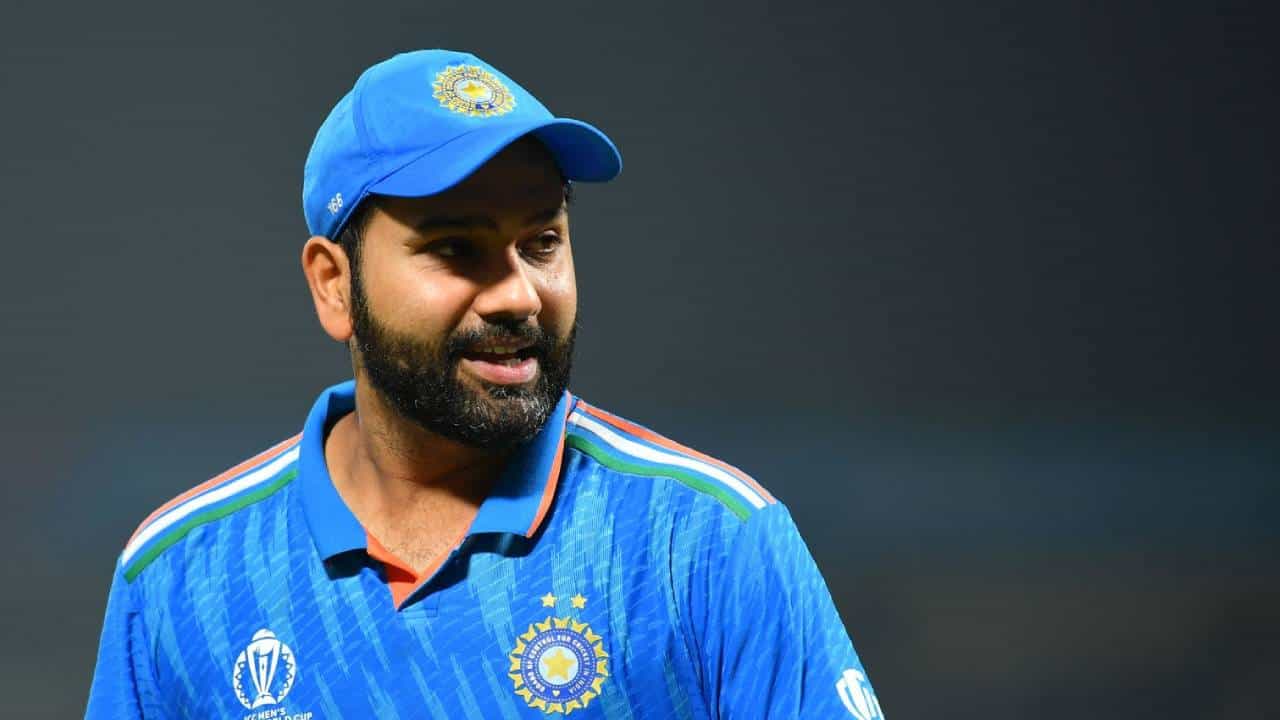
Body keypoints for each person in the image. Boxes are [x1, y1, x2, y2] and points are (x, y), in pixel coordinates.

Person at [85, 49, 884, 719]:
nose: (517, 295)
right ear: (334, 285)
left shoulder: (707, 543)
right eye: (455, 248)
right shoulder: (179, 575)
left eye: (542, 242)